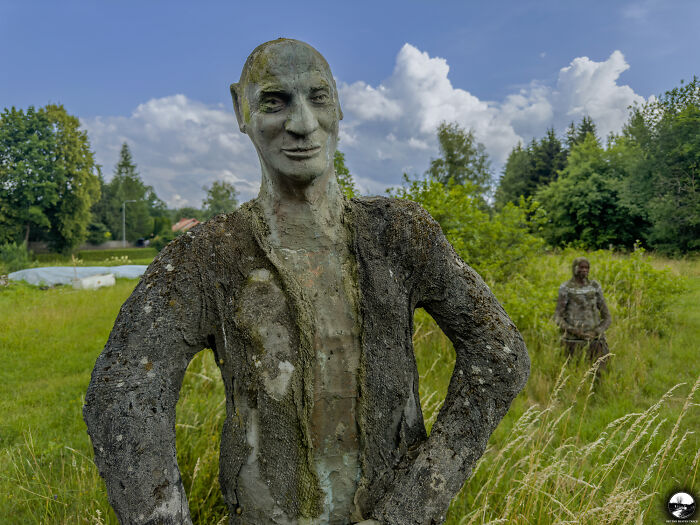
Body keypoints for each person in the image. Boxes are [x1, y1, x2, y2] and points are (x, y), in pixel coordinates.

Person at [84, 39, 529, 525]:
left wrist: (414, 505)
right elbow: (123, 393)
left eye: (317, 98)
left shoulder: (398, 237)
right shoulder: (208, 257)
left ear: (338, 103)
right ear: (242, 109)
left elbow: (498, 354)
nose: (302, 124)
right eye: (275, 101)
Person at [554, 257, 611, 372]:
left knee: (599, 375)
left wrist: (596, 332)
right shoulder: (566, 288)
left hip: (596, 341)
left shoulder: (594, 286)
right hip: (572, 341)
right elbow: (558, 317)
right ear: (574, 268)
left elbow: (607, 317)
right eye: (581, 267)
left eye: (587, 267)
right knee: (573, 374)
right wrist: (575, 331)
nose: (584, 270)